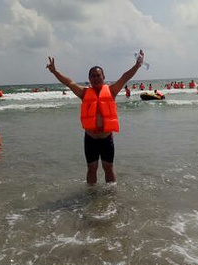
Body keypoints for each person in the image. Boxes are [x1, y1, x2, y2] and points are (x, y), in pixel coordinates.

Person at [46, 51, 145, 184]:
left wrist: (137, 65)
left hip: (106, 139)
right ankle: (91, 197)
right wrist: (55, 72)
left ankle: (110, 197)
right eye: (93, 76)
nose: (96, 78)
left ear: (103, 77)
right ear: (89, 79)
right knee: (91, 169)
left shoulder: (111, 90)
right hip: (90, 139)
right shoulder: (84, 93)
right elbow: (69, 82)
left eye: (98, 75)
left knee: (108, 168)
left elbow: (124, 77)